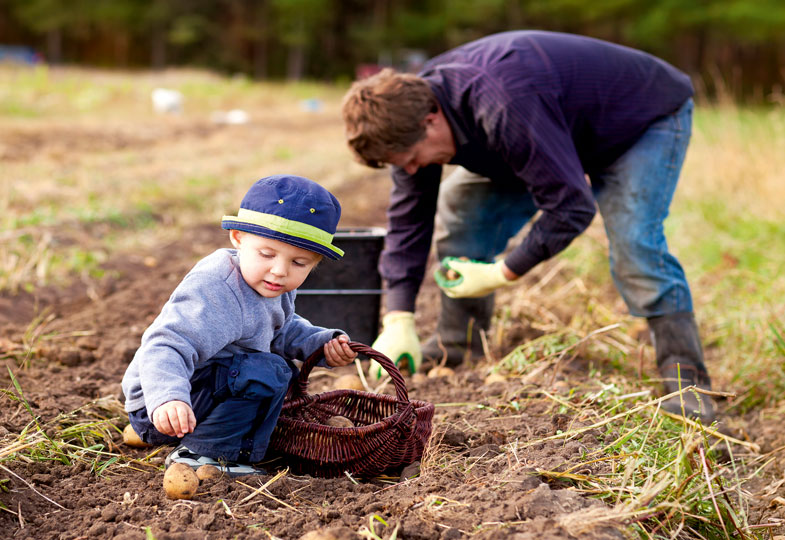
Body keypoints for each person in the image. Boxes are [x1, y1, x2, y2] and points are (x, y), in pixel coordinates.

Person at [342, 30, 715, 423]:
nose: (413, 170)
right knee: (463, 208)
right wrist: (398, 317)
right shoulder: (408, 114)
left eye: (413, 158)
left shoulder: (503, 105)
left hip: (639, 123)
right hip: (553, 133)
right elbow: (408, 223)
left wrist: (502, 272)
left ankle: (686, 379)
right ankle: (459, 344)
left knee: (635, 244)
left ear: (430, 119)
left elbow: (570, 207)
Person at [121, 174, 358, 476]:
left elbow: (279, 327)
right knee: (268, 371)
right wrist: (168, 397)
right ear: (238, 238)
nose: (280, 271)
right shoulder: (216, 290)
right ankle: (204, 454)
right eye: (267, 254)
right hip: (163, 404)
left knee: (272, 368)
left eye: (299, 263)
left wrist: (320, 344)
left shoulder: (267, 283)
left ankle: (232, 444)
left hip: (199, 393)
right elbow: (166, 344)